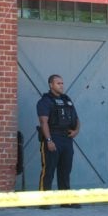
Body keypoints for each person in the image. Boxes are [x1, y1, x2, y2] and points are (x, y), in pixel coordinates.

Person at [36, 74, 80, 208]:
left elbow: (77, 119)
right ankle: (44, 201)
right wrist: (48, 140)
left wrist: (76, 131)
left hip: (67, 139)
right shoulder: (45, 101)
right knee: (48, 170)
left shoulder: (67, 100)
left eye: (62, 83)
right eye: (58, 83)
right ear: (51, 85)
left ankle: (65, 201)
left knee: (65, 170)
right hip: (53, 138)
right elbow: (44, 122)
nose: (61, 85)